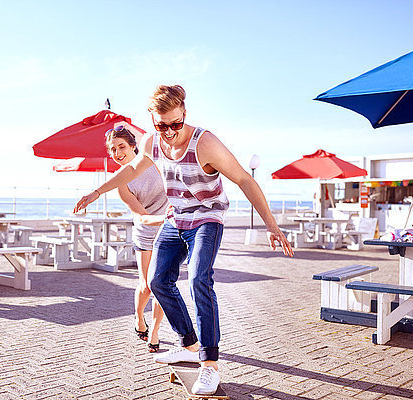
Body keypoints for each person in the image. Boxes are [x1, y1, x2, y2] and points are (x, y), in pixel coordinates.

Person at [75, 85, 294, 395]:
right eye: (161, 125)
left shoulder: (204, 143)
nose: (168, 132)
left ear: (184, 115)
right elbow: (131, 170)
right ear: (152, 120)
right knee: (157, 280)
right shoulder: (152, 142)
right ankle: (188, 344)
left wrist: (271, 225)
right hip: (176, 218)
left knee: (199, 280)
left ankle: (209, 366)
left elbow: (244, 179)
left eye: (175, 124)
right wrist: (95, 192)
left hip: (207, 218)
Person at [105, 125, 168, 352]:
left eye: (122, 146)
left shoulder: (153, 162)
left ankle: (155, 329)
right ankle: (139, 315)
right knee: (147, 285)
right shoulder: (120, 183)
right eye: (113, 149)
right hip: (146, 231)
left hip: (169, 230)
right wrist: (168, 218)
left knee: (162, 284)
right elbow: (142, 216)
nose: (117, 152)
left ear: (134, 147)